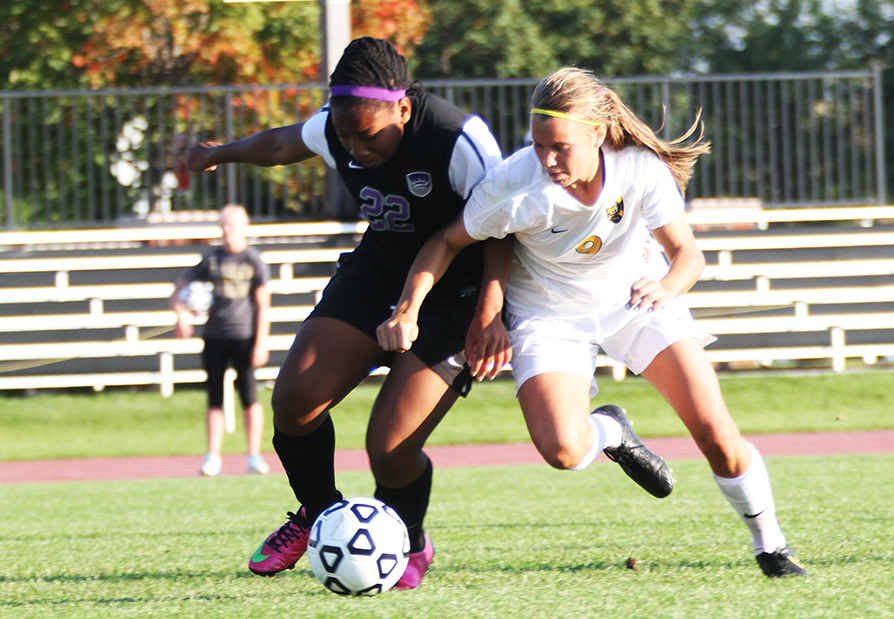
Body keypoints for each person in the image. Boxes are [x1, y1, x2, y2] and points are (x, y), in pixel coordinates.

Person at [379, 67, 808, 578]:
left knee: (715, 432)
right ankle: (610, 431)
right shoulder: (516, 182)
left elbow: (687, 255)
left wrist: (666, 287)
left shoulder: (639, 169)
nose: (548, 159)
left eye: (560, 146)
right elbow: (450, 241)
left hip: (637, 301)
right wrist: (413, 308)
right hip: (549, 316)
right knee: (563, 449)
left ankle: (771, 546)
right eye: (539, 145)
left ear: (598, 134)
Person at [184, 38, 508, 589]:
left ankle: (407, 539)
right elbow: (284, 143)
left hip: (459, 294)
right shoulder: (341, 126)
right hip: (378, 272)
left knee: (390, 446)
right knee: (293, 402)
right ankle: (319, 513)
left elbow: (505, 229)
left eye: (367, 135)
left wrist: (490, 317)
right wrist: (220, 152)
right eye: (343, 135)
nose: (354, 150)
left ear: (403, 108)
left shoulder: (460, 140)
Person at [170, 203, 272, 477]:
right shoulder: (212, 259)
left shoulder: (253, 261)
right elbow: (177, 292)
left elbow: (263, 304)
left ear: (243, 228)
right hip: (215, 336)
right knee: (214, 398)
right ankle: (212, 456)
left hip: (245, 336)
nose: (226, 231)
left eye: (231, 225)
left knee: (249, 396)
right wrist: (182, 314)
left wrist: (261, 341)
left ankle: (253, 455)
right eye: (223, 225)